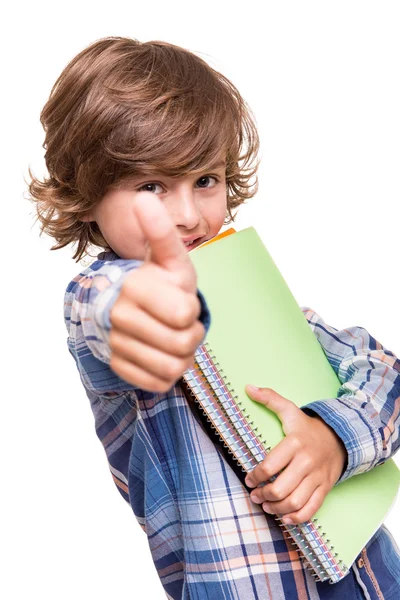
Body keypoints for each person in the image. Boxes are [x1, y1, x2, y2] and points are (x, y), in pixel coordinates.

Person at [28, 36, 400, 600]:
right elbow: (112, 308)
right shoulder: (99, 295)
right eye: (151, 187)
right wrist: (152, 313)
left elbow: (382, 367)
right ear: (87, 195)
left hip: (374, 577)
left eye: (205, 180)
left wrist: (335, 438)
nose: (187, 215)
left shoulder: (251, 290)